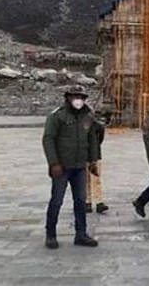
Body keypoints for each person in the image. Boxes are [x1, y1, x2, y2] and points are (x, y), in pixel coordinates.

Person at [42, 85, 99, 249]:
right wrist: (54, 163)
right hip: (62, 166)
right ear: (68, 98)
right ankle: (50, 234)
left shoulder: (87, 116)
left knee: (80, 201)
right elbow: (48, 139)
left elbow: (92, 139)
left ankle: (81, 234)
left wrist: (93, 160)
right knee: (57, 200)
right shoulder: (57, 116)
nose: (78, 100)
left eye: (81, 97)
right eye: (75, 97)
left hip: (79, 166)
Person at [85, 111, 110, 214]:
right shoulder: (78, 127)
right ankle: (87, 202)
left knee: (96, 179)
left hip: (95, 156)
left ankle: (98, 202)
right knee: (86, 180)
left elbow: (100, 139)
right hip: (84, 156)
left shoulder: (98, 126)